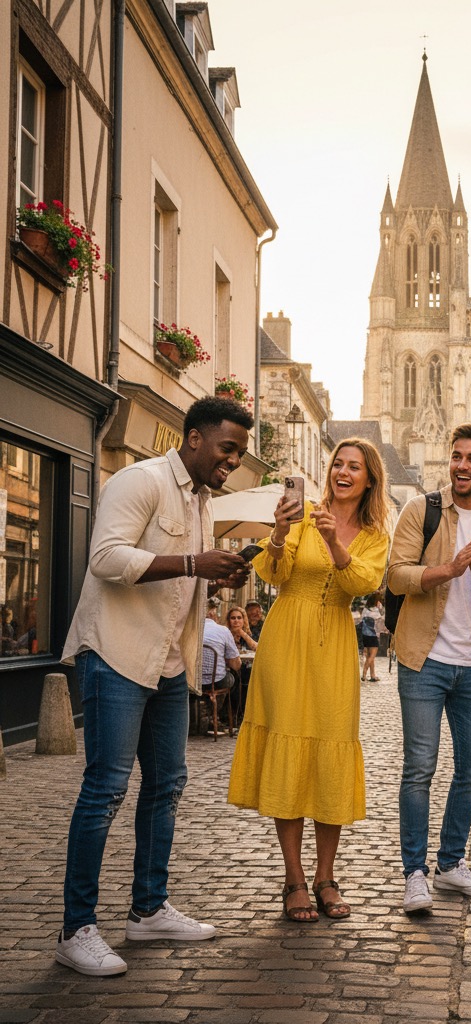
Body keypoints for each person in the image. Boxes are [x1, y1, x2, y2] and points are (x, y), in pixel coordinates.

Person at [57, 396, 253, 977]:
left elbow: (181, 581)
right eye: (227, 448)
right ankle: (76, 928)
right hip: (116, 652)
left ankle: (147, 909)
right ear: (194, 438)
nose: (233, 461)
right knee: (106, 790)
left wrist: (220, 574)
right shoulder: (138, 481)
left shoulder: (203, 500)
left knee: (167, 784)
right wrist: (195, 564)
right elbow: (106, 559)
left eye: (239, 452)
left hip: (169, 662)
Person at [227, 439, 390, 923]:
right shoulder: (301, 514)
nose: (343, 472)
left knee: (330, 749)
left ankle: (327, 875)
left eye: (354, 467)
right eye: (337, 464)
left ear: (369, 479)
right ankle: (295, 878)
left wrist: (335, 542)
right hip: (285, 640)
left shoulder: (374, 532)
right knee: (290, 751)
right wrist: (278, 533)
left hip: (335, 643)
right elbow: (273, 574)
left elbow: (362, 583)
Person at [387, 423, 471, 914]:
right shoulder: (420, 510)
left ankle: (451, 864)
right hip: (424, 660)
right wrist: (448, 569)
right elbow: (396, 575)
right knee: (419, 768)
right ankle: (415, 873)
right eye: (456, 456)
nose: (462, 466)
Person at [200, 600, 240, 733]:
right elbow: (236, 664)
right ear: (214, 615)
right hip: (216, 681)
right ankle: (215, 715)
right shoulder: (223, 631)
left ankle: (204, 710)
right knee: (231, 678)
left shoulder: (192, 629)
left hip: (193, 680)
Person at [224, 604, 256, 719]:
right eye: (233, 618)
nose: (236, 621)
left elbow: (257, 648)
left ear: (244, 620)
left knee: (249, 675)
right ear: (229, 620)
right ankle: (233, 714)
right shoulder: (225, 634)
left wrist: (242, 633)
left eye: (239, 618)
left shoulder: (246, 635)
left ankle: (244, 713)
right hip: (228, 669)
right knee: (238, 677)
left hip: (245, 668)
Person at [360, 594, 383, 682]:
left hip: (365, 635)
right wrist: (380, 608)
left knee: (369, 656)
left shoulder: (365, 610)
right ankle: (364, 674)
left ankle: (373, 675)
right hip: (373, 636)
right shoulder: (376, 611)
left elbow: (362, 620)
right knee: (372, 656)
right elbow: (380, 621)